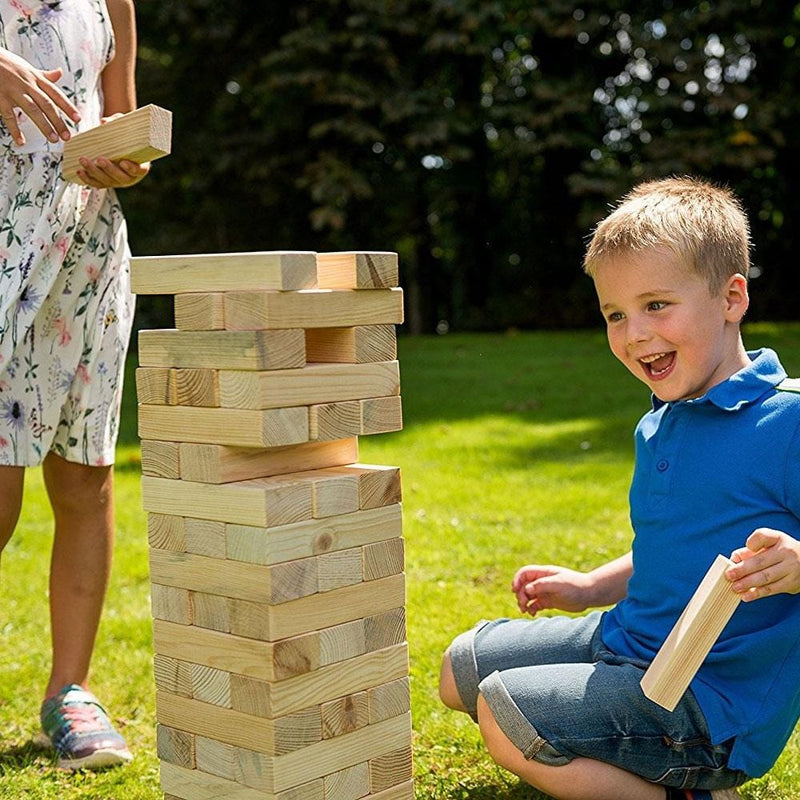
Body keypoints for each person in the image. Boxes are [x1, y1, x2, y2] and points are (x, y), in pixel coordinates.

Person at [438, 176, 800, 800]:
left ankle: (690, 790)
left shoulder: (788, 419)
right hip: (625, 639)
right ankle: (628, 757)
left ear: (731, 297)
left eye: (657, 305)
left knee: (505, 712)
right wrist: (589, 587)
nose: (634, 334)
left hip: (704, 699)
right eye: (615, 314)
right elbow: (675, 551)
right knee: (456, 671)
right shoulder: (658, 422)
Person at [0, 0, 149, 770]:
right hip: (0, 236)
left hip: (87, 245)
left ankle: (71, 691)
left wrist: (124, 157)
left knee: (85, 476)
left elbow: (118, 118)